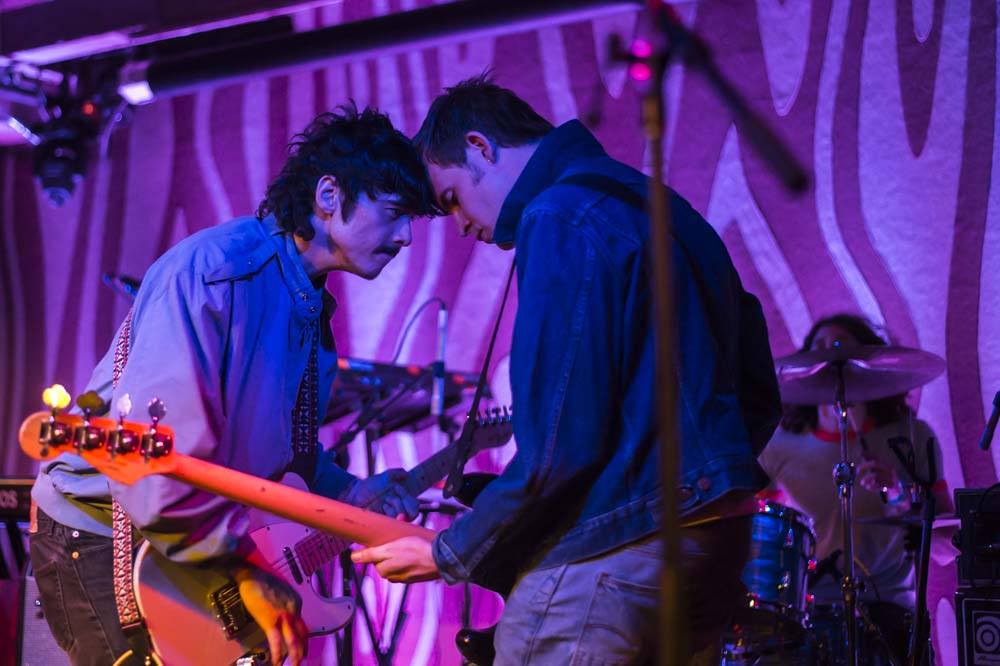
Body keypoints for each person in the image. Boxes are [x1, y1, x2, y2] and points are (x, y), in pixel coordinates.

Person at [351, 75, 782, 664]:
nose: (461, 225)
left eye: (450, 197)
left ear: (480, 147)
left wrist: (448, 553)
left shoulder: (559, 216)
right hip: (718, 541)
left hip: (619, 559)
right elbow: (757, 390)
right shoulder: (668, 209)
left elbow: (560, 447)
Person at [29, 104, 439, 666]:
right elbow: (154, 466)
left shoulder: (307, 301)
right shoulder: (215, 273)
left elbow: (283, 458)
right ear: (328, 196)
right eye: (395, 213)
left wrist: (348, 496)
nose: (407, 239)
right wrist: (240, 570)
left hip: (187, 543)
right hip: (109, 542)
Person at [758, 313, 952, 662]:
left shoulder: (911, 437)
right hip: (803, 610)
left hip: (888, 608)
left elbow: (945, 546)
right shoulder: (778, 446)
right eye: (817, 348)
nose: (828, 355)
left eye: (838, 345)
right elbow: (756, 533)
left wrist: (898, 494)